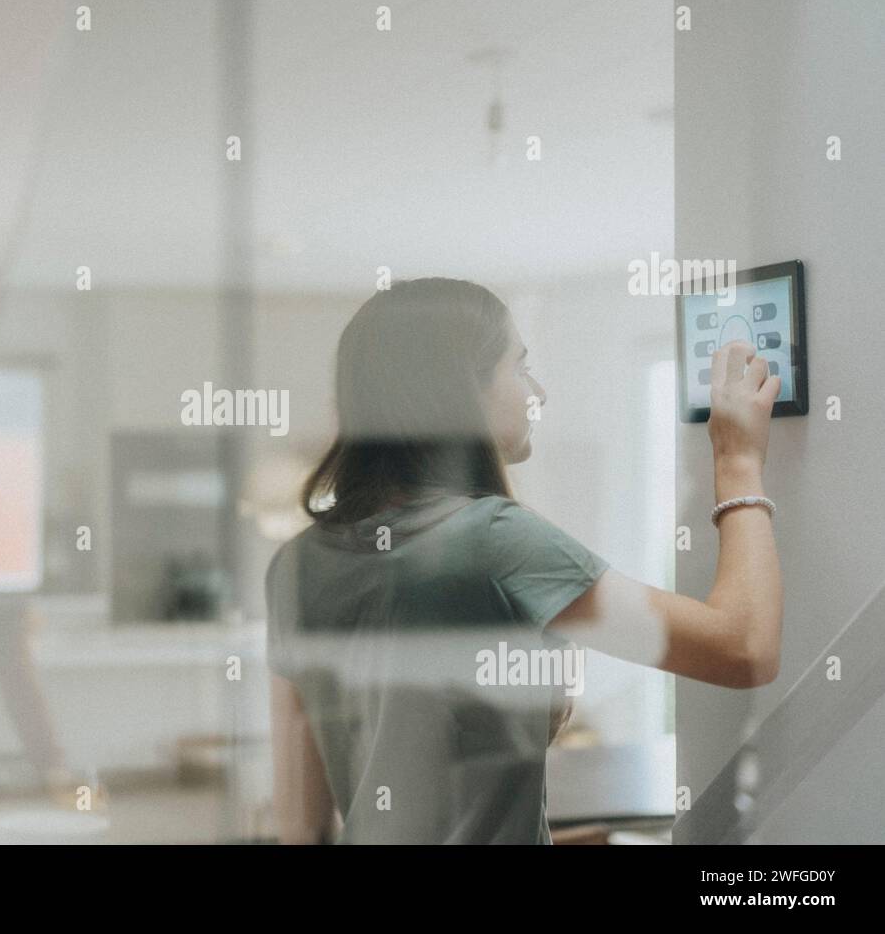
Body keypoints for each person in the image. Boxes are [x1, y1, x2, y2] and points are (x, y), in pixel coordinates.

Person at [266, 278, 783, 844]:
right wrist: (737, 459)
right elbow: (743, 650)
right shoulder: (492, 539)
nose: (537, 391)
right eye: (520, 366)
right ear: (463, 389)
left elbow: (301, 823)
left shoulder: (296, 563)